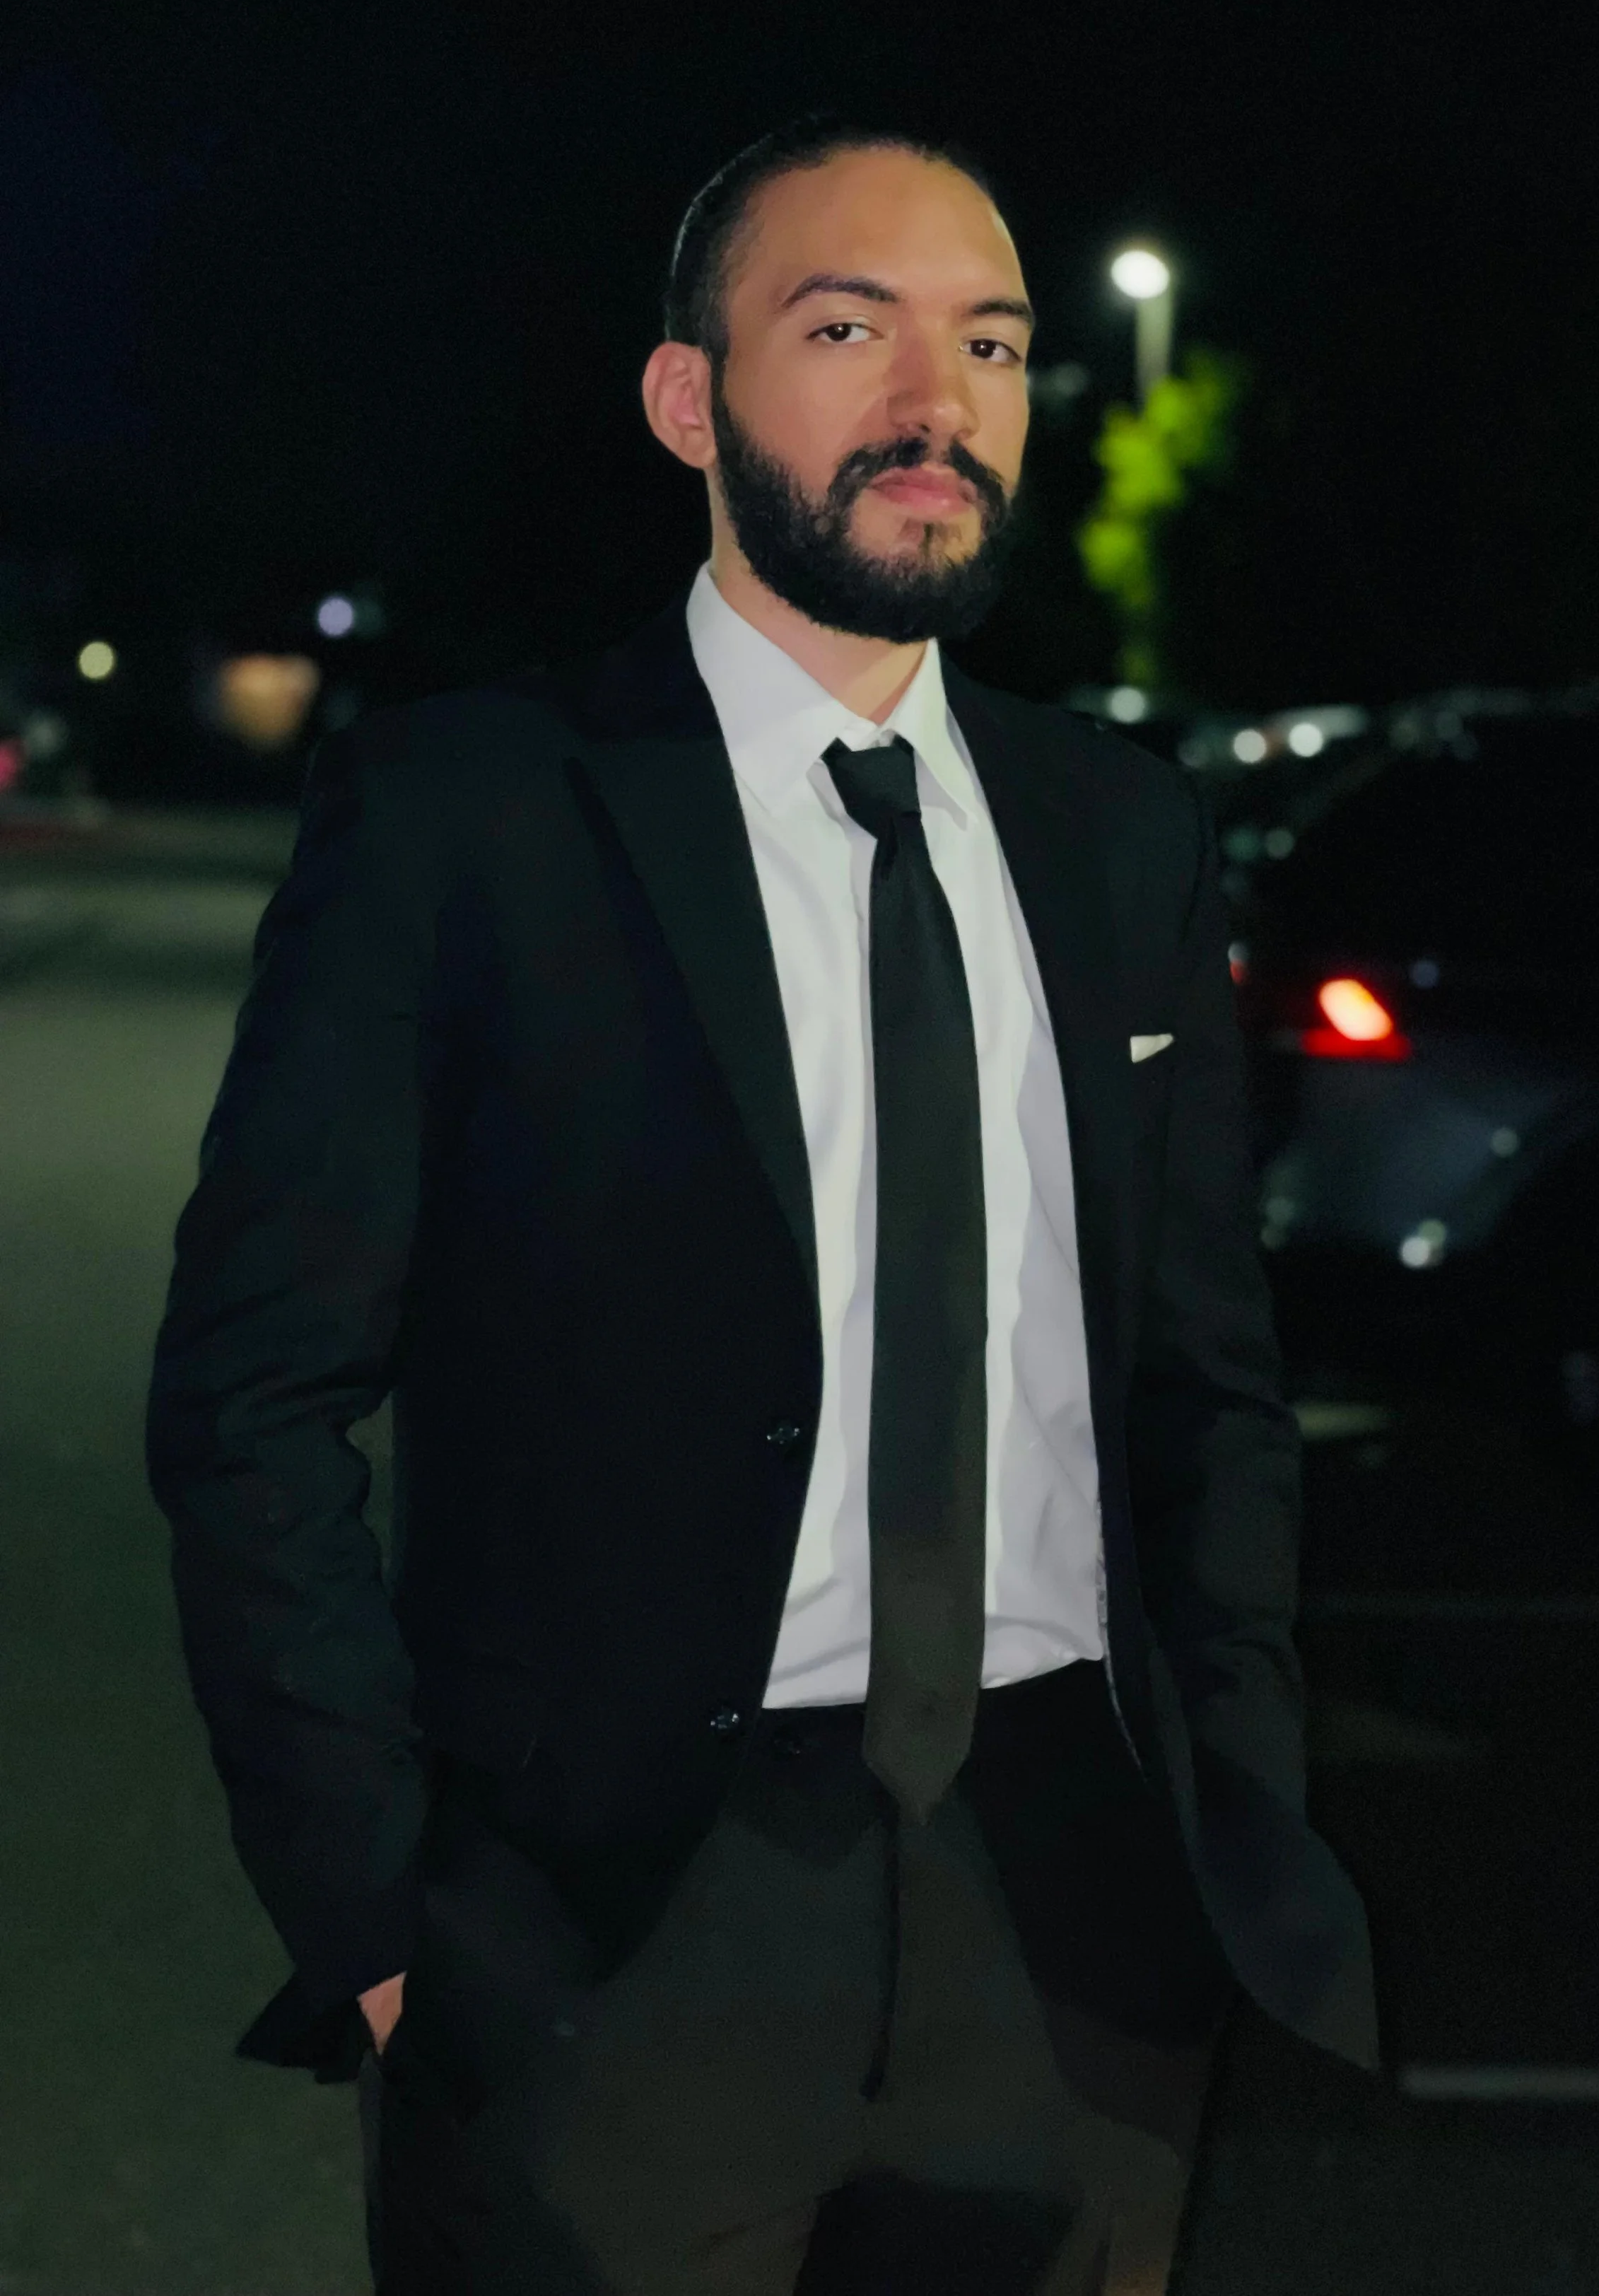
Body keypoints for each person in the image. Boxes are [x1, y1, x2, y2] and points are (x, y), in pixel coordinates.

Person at [146, 116, 1377, 2295]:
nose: (938, 401)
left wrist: (1231, 1797)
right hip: (609, 1937)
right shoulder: (471, 816)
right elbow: (251, 1398)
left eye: (990, 341)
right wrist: (378, 1908)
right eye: (848, 328)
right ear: (689, 400)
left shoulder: (1117, 834)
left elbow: (1207, 1381)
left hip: (1069, 1917)